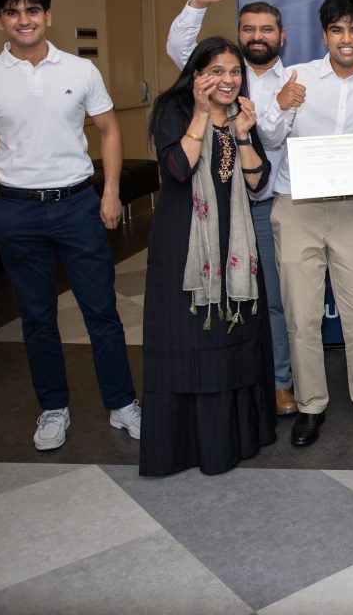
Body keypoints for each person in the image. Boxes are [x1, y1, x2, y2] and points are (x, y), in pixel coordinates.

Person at [0, 0, 140, 451]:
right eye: (13, 12)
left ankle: (122, 404)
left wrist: (110, 191)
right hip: (16, 212)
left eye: (32, 11)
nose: (24, 20)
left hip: (77, 205)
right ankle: (53, 409)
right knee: (37, 317)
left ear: (47, 16)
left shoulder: (80, 71)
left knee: (101, 311)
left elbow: (109, 130)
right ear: (0, 21)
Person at [256, 0, 353, 448]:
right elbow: (271, 139)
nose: (346, 38)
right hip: (297, 207)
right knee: (302, 315)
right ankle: (312, 405)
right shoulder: (297, 78)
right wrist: (282, 104)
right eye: (337, 30)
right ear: (324, 34)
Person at [139, 36, 276, 476]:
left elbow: (257, 182)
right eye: (216, 71)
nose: (228, 80)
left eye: (234, 72)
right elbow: (178, 170)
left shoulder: (241, 113)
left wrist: (243, 136)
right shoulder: (172, 108)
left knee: (230, 336)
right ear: (197, 74)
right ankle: (189, 445)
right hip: (185, 247)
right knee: (192, 336)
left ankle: (235, 439)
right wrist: (201, 115)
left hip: (235, 245)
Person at [166, 0, 298, 417]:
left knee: (271, 300)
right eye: (249, 29)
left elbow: (275, 143)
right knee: (215, 295)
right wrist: (198, 3)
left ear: (281, 36)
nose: (256, 36)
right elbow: (178, 47)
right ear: (239, 34)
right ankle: (224, 377)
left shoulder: (297, 79)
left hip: (268, 204)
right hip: (210, 208)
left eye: (266, 29)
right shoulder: (219, 70)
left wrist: (279, 106)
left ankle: (279, 381)